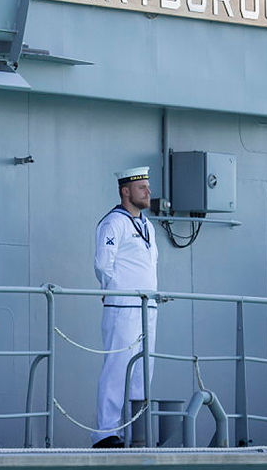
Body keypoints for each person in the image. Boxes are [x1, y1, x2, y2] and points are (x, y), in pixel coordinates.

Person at [92, 166, 159, 448]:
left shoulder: (147, 225)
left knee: (144, 370)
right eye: (141, 187)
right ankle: (106, 432)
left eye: (147, 186)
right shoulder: (114, 223)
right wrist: (115, 292)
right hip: (124, 305)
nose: (148, 191)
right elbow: (103, 264)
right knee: (118, 368)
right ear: (125, 191)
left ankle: (136, 433)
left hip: (148, 307)